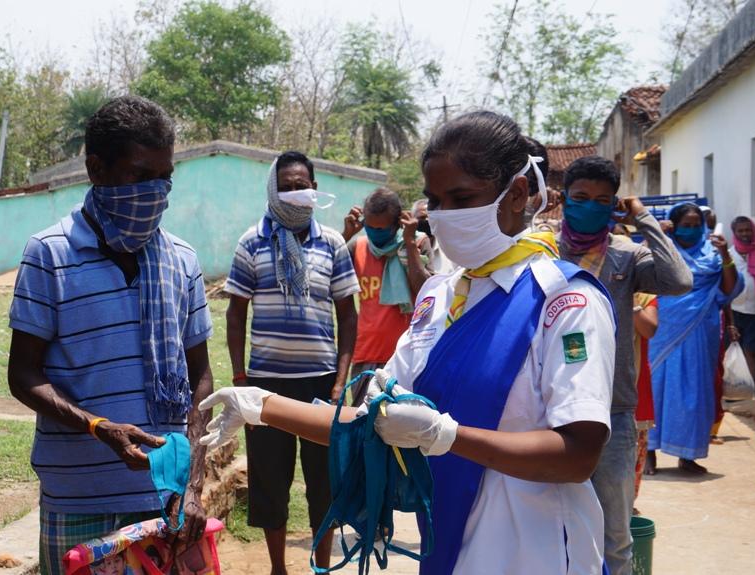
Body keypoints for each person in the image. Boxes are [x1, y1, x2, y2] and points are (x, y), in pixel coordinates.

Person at [204, 111, 616, 575]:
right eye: (435, 201)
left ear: (517, 193)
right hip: (447, 546)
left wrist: (446, 436)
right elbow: (370, 423)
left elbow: (578, 456)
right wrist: (261, 404)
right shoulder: (440, 297)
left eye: (462, 198)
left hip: (535, 555)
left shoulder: (562, 300)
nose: (443, 216)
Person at [7, 96, 214, 575]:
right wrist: (98, 427)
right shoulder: (49, 254)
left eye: (165, 178)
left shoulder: (182, 260)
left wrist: (193, 483)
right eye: (140, 176)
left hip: (166, 501)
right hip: (79, 501)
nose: (155, 191)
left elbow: (200, 375)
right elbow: (23, 374)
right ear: (96, 169)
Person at [223, 151, 359, 574]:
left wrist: (340, 381)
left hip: (321, 384)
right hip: (266, 386)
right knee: (269, 482)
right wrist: (241, 379)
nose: (296, 193)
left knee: (324, 482)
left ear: (314, 189)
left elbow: (348, 315)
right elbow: (235, 314)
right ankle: (278, 568)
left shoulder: (332, 243)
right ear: (273, 189)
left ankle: (321, 567)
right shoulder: (252, 241)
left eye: (302, 186)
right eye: (287, 187)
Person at [555, 155, 692, 575]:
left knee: (614, 536)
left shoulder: (626, 256)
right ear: (564, 198)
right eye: (580, 197)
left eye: (602, 201)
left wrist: (643, 219)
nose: (590, 207)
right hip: (550, 406)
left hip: (611, 410)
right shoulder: (543, 250)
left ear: (615, 205)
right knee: (551, 529)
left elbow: (679, 281)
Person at [646, 203, 742, 475]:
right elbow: (641, 273)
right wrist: (656, 236)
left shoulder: (712, 253)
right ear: (674, 226)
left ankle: (687, 455)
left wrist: (725, 254)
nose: (691, 230)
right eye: (685, 225)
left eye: (696, 225)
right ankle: (649, 451)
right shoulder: (663, 248)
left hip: (701, 329)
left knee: (695, 392)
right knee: (656, 388)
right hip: (663, 328)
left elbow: (730, 288)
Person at [342, 188, 430, 404]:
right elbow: (328, 275)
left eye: (381, 228)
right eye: (370, 227)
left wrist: (409, 243)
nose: (375, 233)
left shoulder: (418, 243)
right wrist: (345, 236)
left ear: (398, 222)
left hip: (406, 356)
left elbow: (426, 291)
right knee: (362, 419)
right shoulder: (357, 247)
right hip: (366, 353)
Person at [728, 216, 755, 392]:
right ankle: (737, 390)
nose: (745, 234)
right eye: (740, 231)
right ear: (734, 233)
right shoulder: (728, 255)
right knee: (735, 350)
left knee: (751, 351)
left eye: (748, 230)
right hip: (734, 311)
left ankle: (751, 391)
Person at [633, 293, 657, 497]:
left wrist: (631, 303)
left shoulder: (644, 297)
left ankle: (628, 501)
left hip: (634, 383)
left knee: (635, 446)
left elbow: (649, 329)